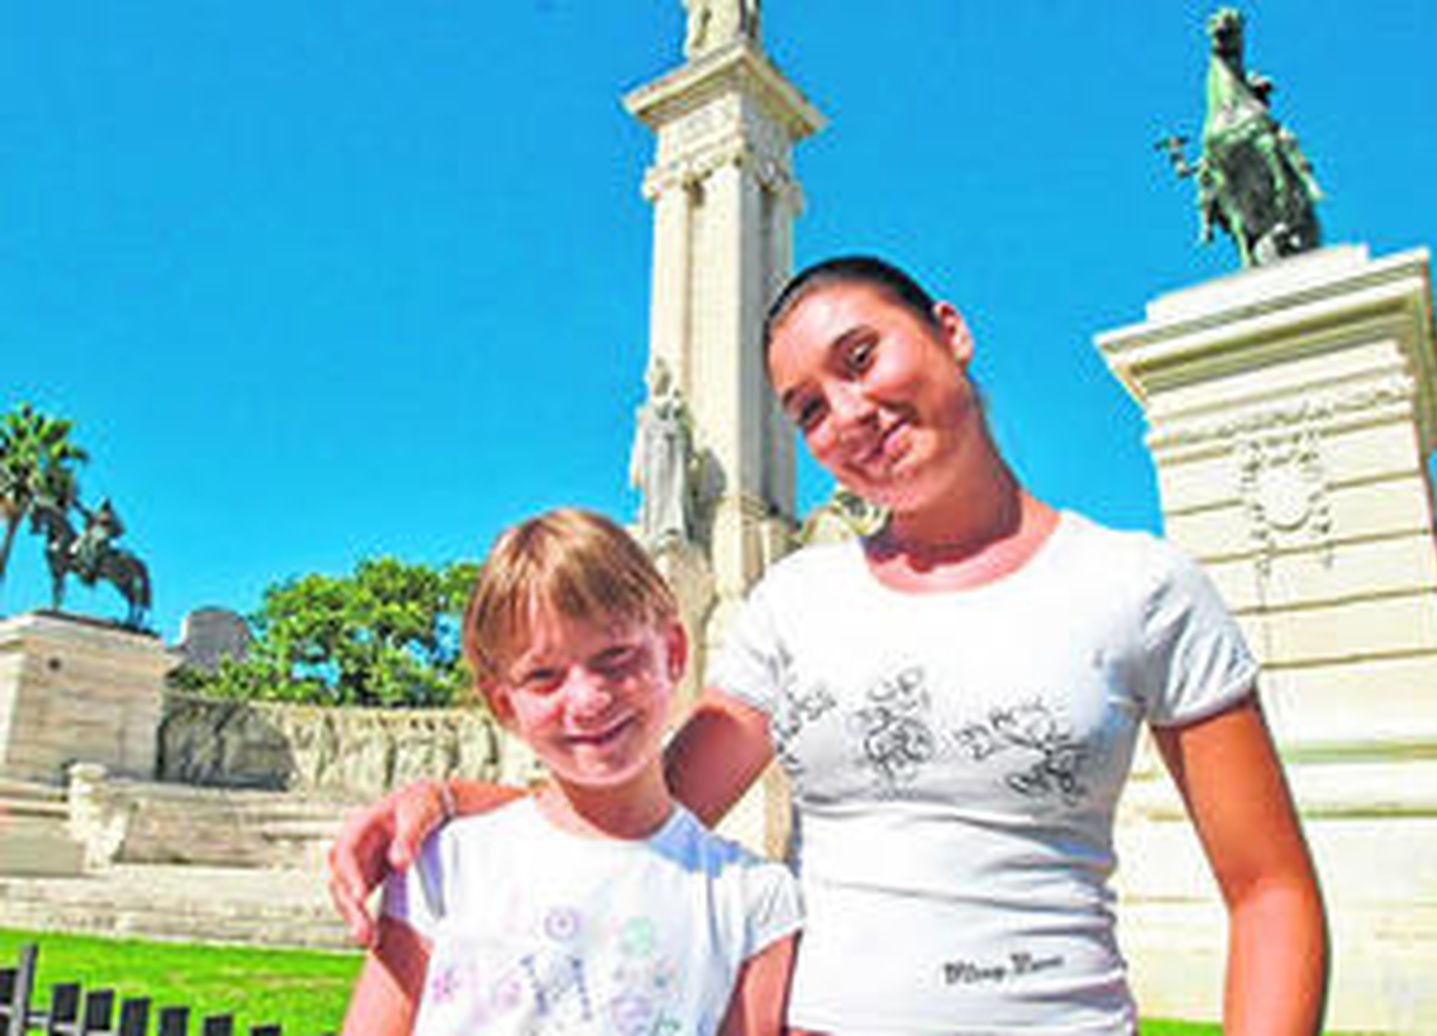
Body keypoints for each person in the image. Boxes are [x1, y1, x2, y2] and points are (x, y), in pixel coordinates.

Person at [331, 257, 1329, 1034]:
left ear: (950, 331)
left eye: (860, 359)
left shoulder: (1142, 587)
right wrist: (452, 803)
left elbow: (1269, 892)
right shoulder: (795, 600)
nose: (848, 414)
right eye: (807, 408)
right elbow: (651, 807)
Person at [339, 508, 800, 1036]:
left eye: (615, 657)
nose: (587, 699)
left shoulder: (754, 902)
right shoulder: (444, 864)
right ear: (503, 704)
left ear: (673, 653)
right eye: (544, 676)